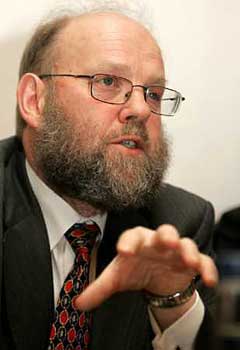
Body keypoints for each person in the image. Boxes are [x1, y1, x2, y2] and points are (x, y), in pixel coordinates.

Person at [0, 2, 218, 350]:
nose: (140, 109)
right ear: (35, 100)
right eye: (107, 81)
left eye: (154, 93)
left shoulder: (178, 225)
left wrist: (172, 301)